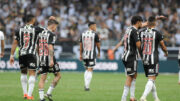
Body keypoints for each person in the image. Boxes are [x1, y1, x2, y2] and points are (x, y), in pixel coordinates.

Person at [9, 14, 44, 100]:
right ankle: (29, 95)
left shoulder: (19, 30)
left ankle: (25, 94)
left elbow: (14, 43)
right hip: (31, 54)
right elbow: (47, 31)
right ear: (33, 20)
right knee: (32, 74)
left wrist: (11, 55)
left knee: (23, 73)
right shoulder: (37, 29)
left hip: (21, 54)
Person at [139, 16, 168, 101]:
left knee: (151, 79)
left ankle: (156, 98)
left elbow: (139, 26)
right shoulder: (157, 33)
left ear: (147, 23)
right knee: (152, 79)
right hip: (153, 58)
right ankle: (143, 97)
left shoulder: (141, 32)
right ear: (155, 23)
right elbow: (163, 46)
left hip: (144, 58)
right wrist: (166, 52)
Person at [38, 18, 61, 101]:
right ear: (53, 25)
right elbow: (50, 47)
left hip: (41, 57)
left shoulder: (40, 34)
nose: (56, 29)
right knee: (58, 75)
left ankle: (41, 98)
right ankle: (48, 93)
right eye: (56, 27)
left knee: (42, 78)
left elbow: (37, 46)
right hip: (49, 57)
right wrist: (51, 60)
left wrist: (39, 56)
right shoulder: (51, 34)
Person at [120, 16, 143, 101]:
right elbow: (138, 45)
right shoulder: (135, 31)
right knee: (130, 77)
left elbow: (144, 24)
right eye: (141, 22)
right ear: (137, 22)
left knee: (134, 75)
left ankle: (132, 97)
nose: (142, 24)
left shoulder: (128, 29)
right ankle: (123, 99)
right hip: (131, 57)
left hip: (126, 55)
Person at [79, 22, 100, 91]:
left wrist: (80, 54)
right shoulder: (95, 34)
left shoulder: (83, 34)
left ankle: (86, 85)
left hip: (85, 54)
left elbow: (81, 45)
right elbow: (98, 45)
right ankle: (87, 87)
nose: (96, 27)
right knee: (90, 69)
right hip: (91, 54)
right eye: (95, 26)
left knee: (87, 69)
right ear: (91, 26)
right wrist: (99, 52)